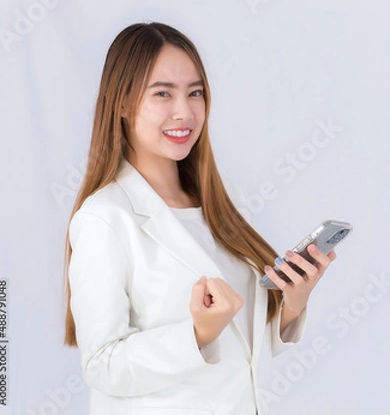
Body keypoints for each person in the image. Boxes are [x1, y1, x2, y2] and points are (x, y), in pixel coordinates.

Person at [62, 22, 337, 415]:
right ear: (121, 104)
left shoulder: (221, 203)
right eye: (162, 93)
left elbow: (243, 348)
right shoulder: (103, 218)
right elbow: (101, 366)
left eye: (195, 93)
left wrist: (293, 301)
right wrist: (197, 334)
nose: (185, 112)